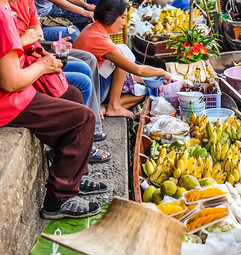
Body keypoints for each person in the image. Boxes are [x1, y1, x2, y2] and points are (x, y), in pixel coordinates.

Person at [0, 0, 103, 219]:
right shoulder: (3, 14)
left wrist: (40, 56)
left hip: (16, 90)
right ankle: (58, 200)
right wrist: (42, 66)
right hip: (7, 101)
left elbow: (31, 35)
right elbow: (10, 82)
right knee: (83, 119)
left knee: (73, 95)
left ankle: (71, 173)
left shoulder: (11, 8)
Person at [10, 0, 110, 154]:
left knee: (86, 63)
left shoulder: (26, 2)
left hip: (34, 56)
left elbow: (37, 34)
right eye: (122, 18)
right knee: (81, 83)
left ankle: (86, 135)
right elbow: (13, 57)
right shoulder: (6, 10)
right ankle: (76, 144)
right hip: (23, 68)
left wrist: (47, 48)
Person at [73, 0, 172, 120]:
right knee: (123, 58)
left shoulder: (91, 28)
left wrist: (145, 79)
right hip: (92, 92)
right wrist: (162, 72)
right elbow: (137, 69)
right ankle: (113, 106)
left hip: (90, 87)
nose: (124, 23)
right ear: (110, 17)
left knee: (144, 89)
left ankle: (104, 107)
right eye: (122, 17)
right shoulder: (99, 39)